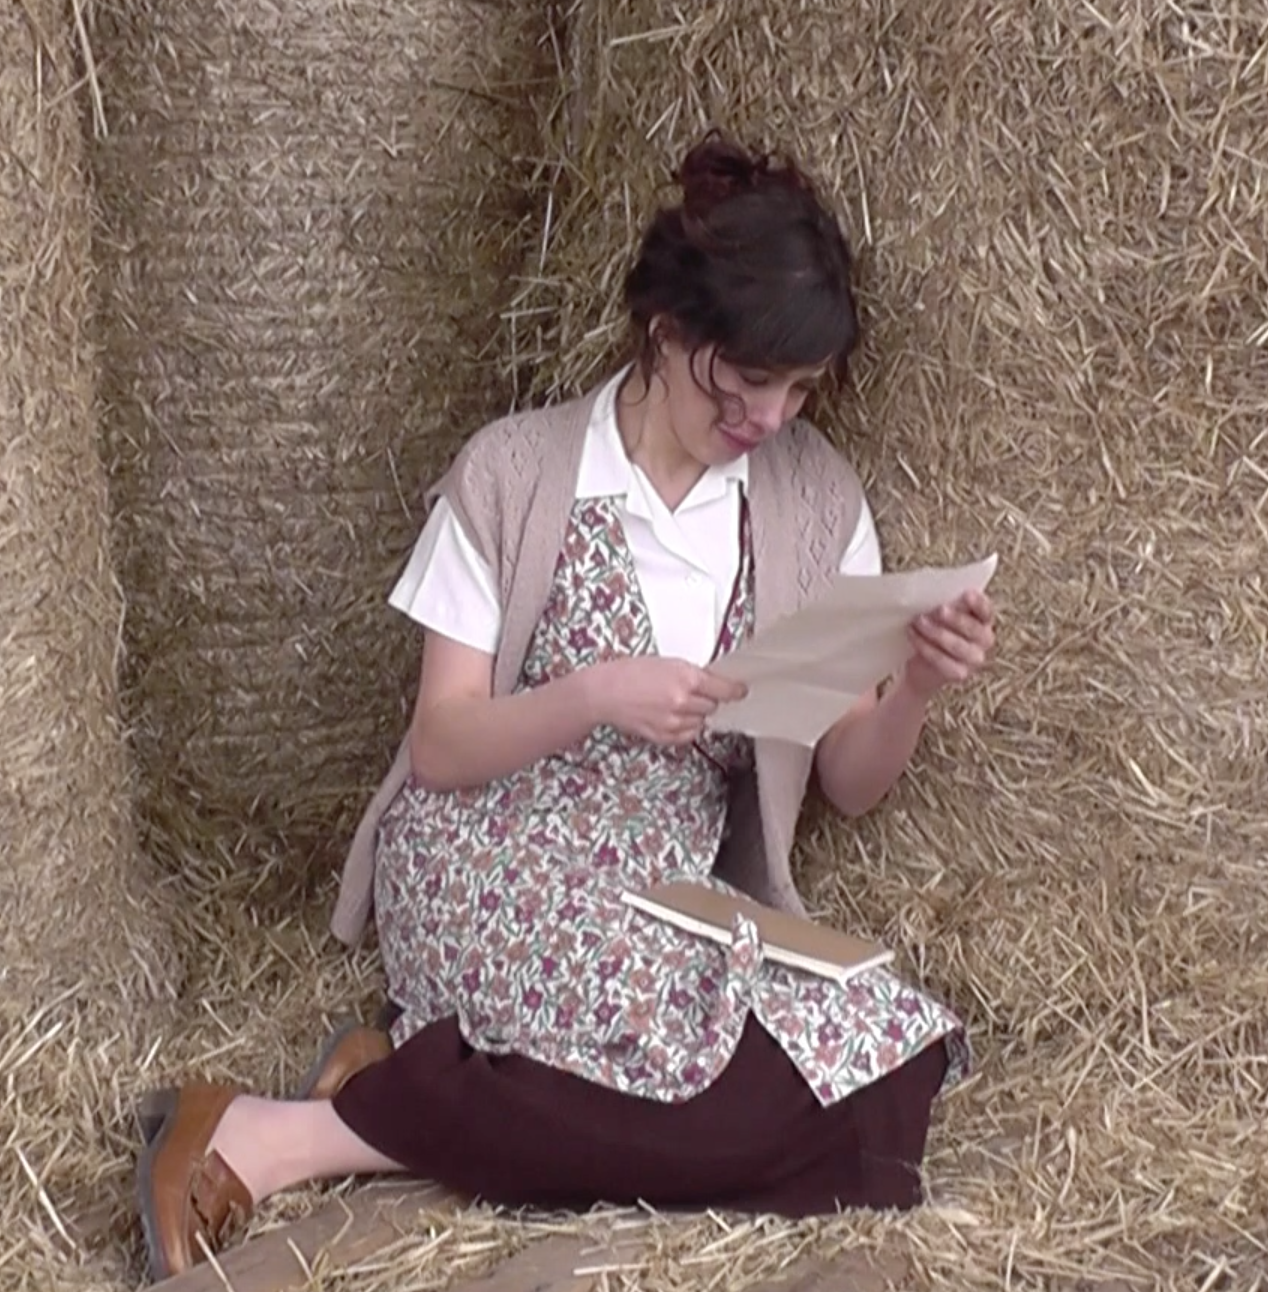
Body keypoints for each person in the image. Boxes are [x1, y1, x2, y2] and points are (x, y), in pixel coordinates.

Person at [135, 135, 998, 1282]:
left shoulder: (815, 502)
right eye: (745, 379)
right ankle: (275, 1135)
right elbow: (442, 744)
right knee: (699, 1083)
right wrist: (592, 693)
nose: (769, 415)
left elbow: (848, 775)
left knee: (886, 1092)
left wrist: (918, 685)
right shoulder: (515, 473)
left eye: (798, 388)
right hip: (492, 844)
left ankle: (397, 1095)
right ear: (668, 328)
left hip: (668, 885)